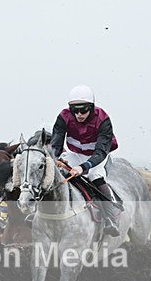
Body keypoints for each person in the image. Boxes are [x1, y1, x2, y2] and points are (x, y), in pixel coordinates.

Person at [50, 84, 123, 236]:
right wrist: (53, 159)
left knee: (94, 175)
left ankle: (110, 217)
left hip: (97, 156)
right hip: (75, 154)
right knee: (54, 172)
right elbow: (55, 146)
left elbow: (101, 151)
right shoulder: (63, 117)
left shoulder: (103, 119)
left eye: (83, 110)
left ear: (91, 107)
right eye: (75, 110)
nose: (79, 114)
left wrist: (84, 167)